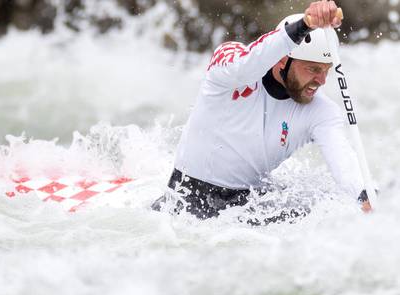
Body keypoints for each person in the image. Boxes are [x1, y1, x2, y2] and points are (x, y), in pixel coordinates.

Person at [153, 0, 372, 222]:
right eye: (313, 69)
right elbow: (249, 62)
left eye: (326, 70)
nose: (321, 80)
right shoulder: (230, 71)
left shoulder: (321, 111)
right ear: (282, 60)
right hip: (185, 202)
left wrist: (364, 197)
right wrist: (305, 24)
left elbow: (344, 162)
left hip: (249, 208)